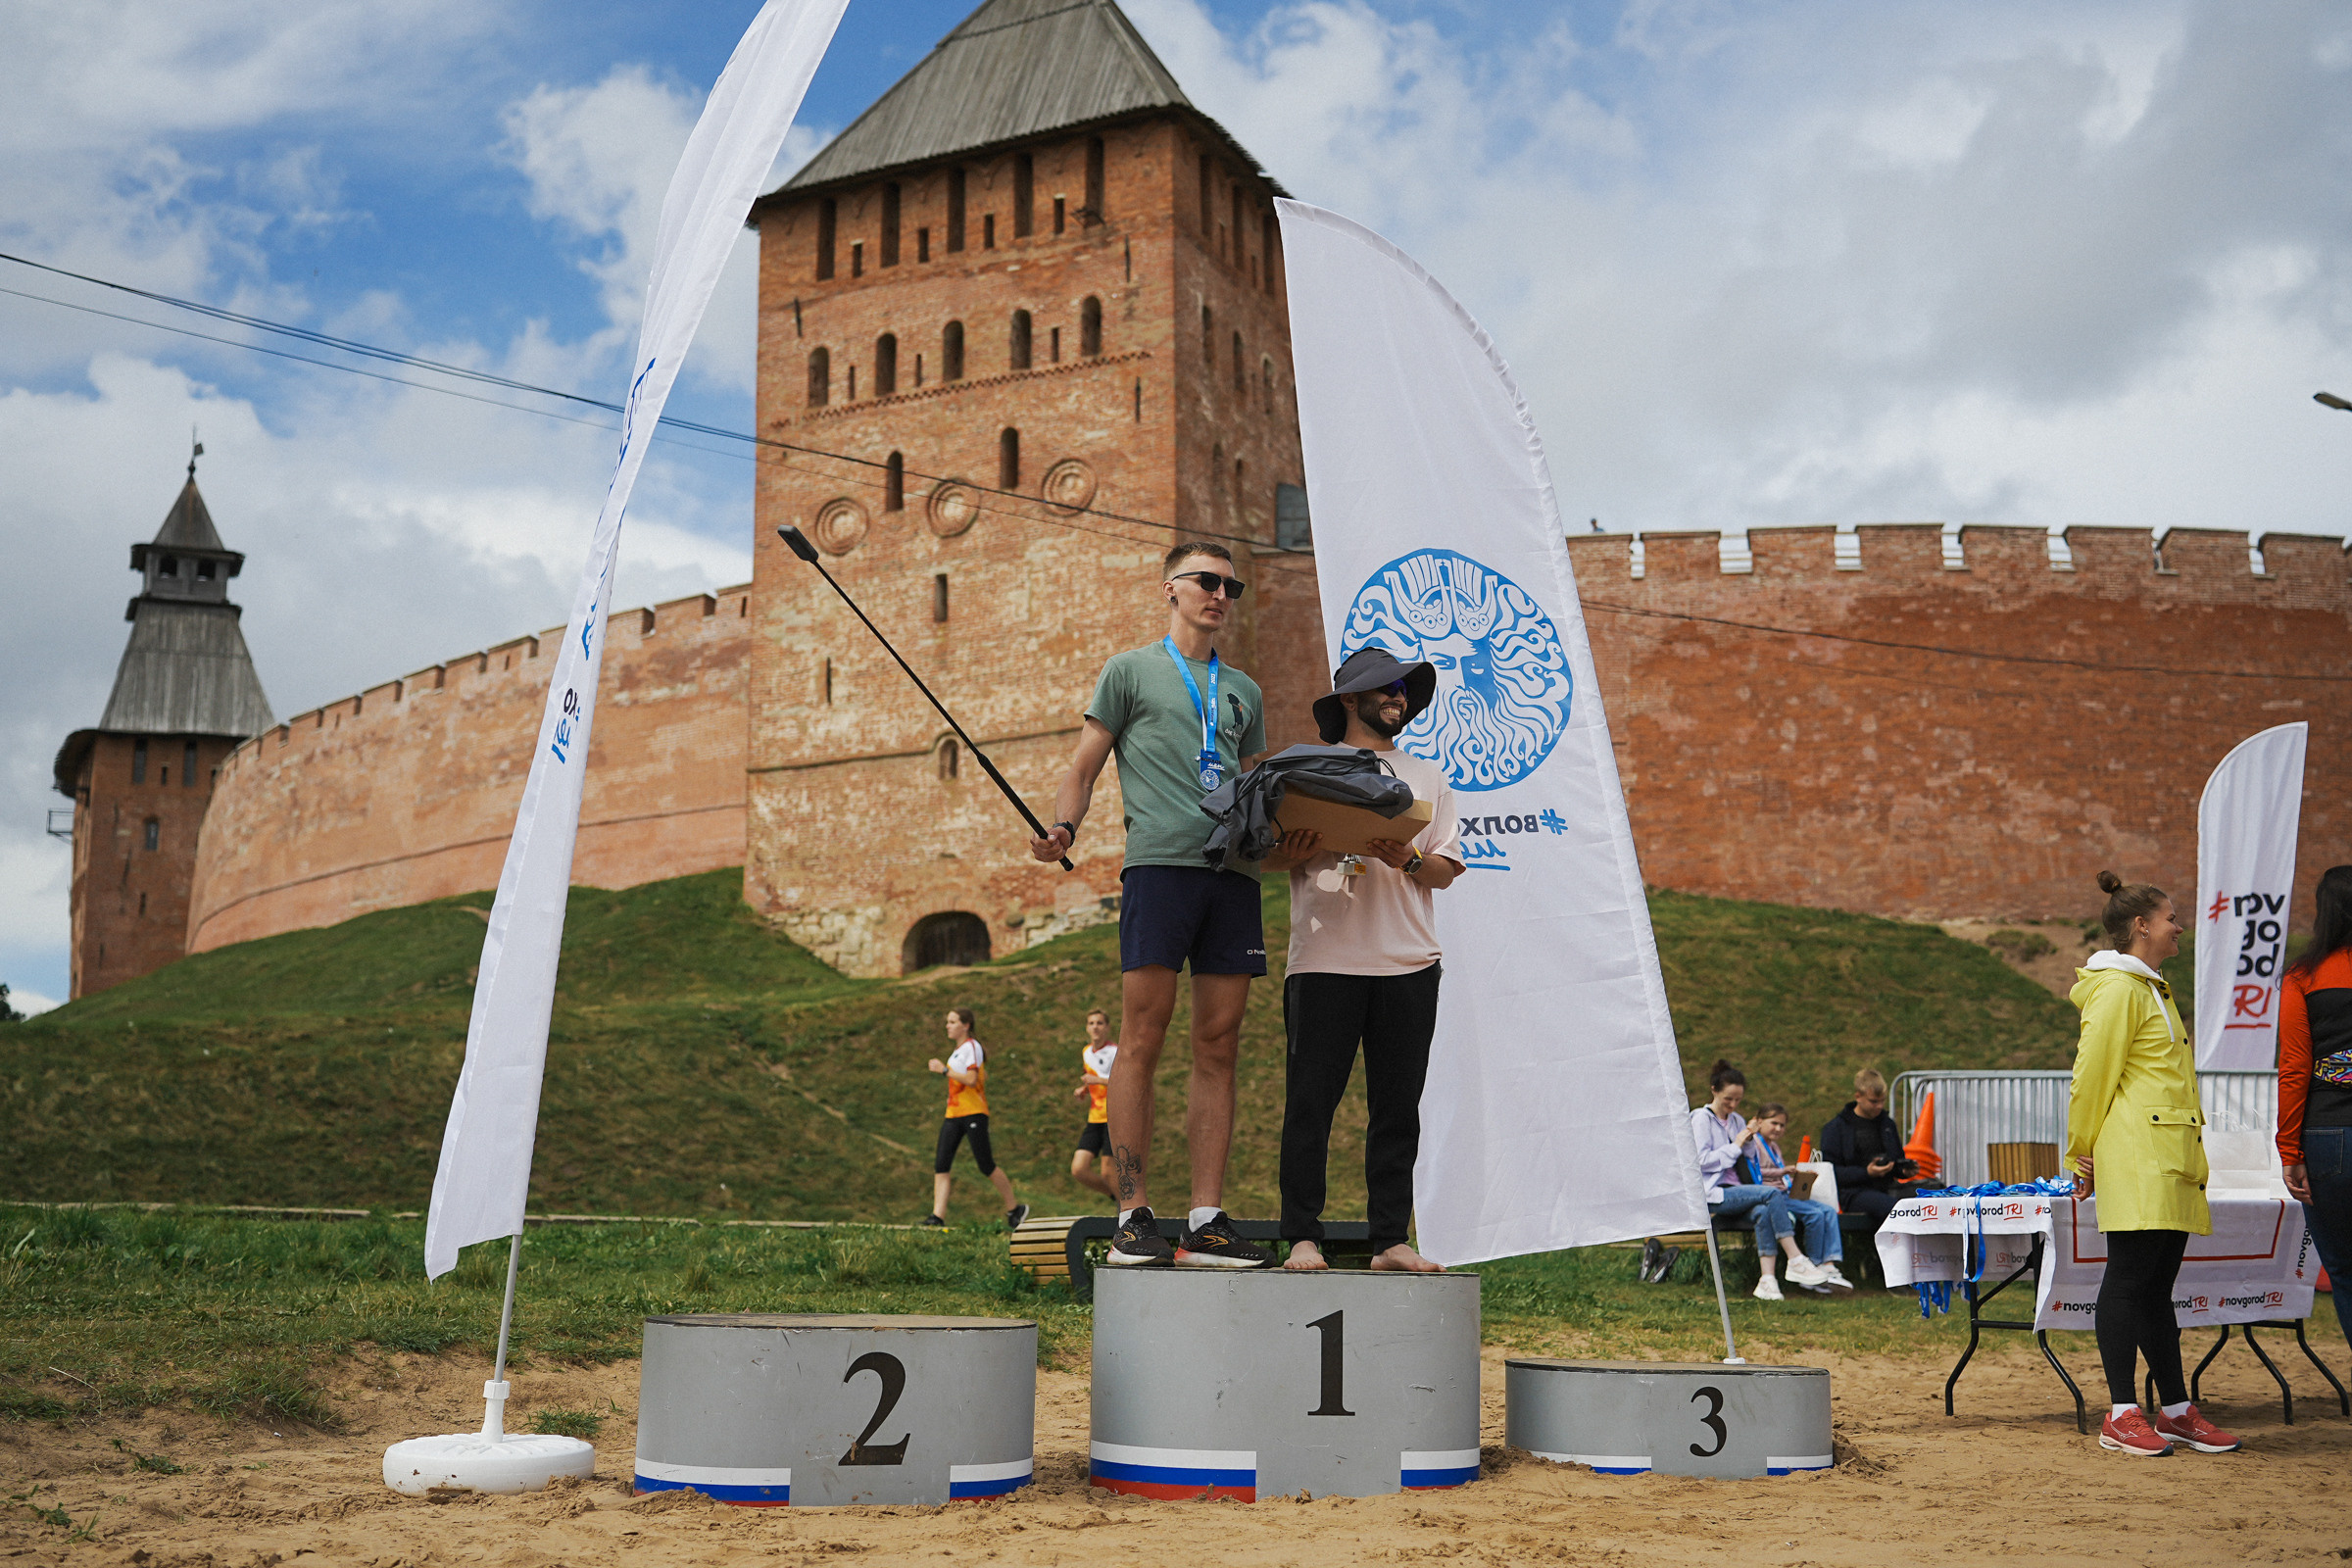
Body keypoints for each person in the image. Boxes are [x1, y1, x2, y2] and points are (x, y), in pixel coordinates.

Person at [1028, 542, 1271, 1269]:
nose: (1220, 594)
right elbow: (1083, 765)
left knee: (1219, 1044)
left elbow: (1255, 784)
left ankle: (1205, 1219)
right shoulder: (1128, 671)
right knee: (1142, 1034)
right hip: (1160, 869)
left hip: (1233, 876)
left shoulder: (1245, 692)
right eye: (1206, 581)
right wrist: (1065, 827)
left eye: (1231, 585)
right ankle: (1133, 1215)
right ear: (1171, 588)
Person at [1259, 647, 1464, 1274]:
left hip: (1408, 964)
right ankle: (1301, 1238)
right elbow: (1262, 856)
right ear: (1350, 699)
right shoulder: (1301, 767)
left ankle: (1390, 1242)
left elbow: (1446, 871)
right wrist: (1290, 848)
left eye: (1405, 689)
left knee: (1397, 1111)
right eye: (1387, 688)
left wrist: (1400, 855)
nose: (1400, 697)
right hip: (1323, 961)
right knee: (1310, 1106)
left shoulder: (1427, 776)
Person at [2066, 870, 2239, 1457]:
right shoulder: (2118, 989)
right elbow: (2091, 1078)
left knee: (2156, 1287)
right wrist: (2079, 1153)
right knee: (2129, 1281)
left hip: (2165, 1155)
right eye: (2171, 919)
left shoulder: (2149, 988)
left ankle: (2177, 1409)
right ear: (2141, 926)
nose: (2179, 928)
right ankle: (2119, 1413)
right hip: (2137, 1156)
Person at [2278, 863, 2352, 1360]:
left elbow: (2294, 1067)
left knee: (2344, 1272)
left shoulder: (2303, 977)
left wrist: (2289, 1149)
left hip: (2328, 1136)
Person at [1690, 1060, 1833, 1300]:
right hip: (1714, 1192)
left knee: (1763, 1212)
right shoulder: (1701, 1119)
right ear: (1714, 1090)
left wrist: (1747, 1141)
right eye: (1728, 1099)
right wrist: (1736, 1144)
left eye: (1738, 1100)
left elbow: (1749, 1156)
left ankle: (1767, 1281)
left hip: (1738, 1190)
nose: (1733, 1105)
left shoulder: (1736, 1120)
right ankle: (1796, 1258)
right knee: (1771, 1194)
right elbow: (1701, 1161)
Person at [925, 1007, 1028, 1232]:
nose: (947, 1026)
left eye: (952, 1021)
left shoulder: (972, 1046)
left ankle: (1014, 1209)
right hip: (953, 1114)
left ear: (966, 1025)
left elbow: (972, 1079)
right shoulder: (958, 1051)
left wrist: (944, 1070)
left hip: (973, 1113)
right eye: (948, 1021)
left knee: (985, 1164)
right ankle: (937, 1216)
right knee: (941, 1164)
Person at [1745, 1102, 1854, 1294]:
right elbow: (1753, 1172)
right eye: (1774, 1123)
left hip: (1785, 1192)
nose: (1778, 1128)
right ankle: (1813, 1264)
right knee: (1814, 1214)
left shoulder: (1774, 1146)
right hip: (1771, 1196)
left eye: (1782, 1125)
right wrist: (1782, 1171)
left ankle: (1828, 1263)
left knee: (1827, 1210)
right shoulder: (1754, 1144)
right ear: (1759, 1121)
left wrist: (1792, 1178)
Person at [1819, 1069, 1916, 1234]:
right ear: (1858, 1096)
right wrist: (1867, 1173)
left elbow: (1897, 1160)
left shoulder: (1887, 1124)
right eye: (1873, 1101)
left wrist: (1904, 1170)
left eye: (1882, 1101)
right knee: (1894, 1209)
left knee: (1932, 1202)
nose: (1879, 1106)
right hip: (1852, 1193)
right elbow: (1831, 1173)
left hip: (1888, 1187)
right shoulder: (1836, 1128)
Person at [1070, 1007, 1119, 1200]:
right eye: (1091, 1023)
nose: (1095, 1027)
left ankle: (1126, 1215)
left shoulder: (1115, 1051)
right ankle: (1118, 1199)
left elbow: (1122, 1082)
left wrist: (1096, 1081)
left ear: (1107, 1027)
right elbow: (1091, 1078)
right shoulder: (1086, 1052)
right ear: (1086, 1028)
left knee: (1109, 1172)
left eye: (1099, 1023)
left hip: (1113, 1116)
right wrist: (1083, 1089)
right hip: (1094, 1117)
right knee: (1078, 1169)